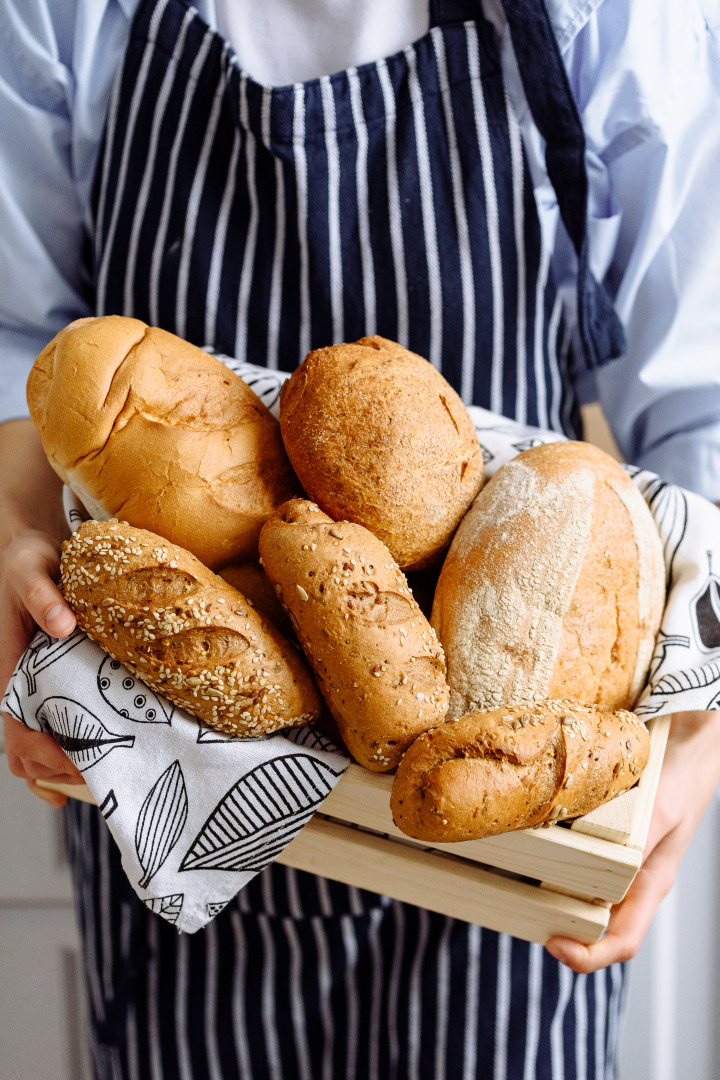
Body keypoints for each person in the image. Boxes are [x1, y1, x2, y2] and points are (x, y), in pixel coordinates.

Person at [2, 0, 720, 1077]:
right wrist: (13, 530)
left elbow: (701, 395)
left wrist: (696, 740)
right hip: (183, 785)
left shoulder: (605, 15)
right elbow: (19, 328)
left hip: (509, 853)